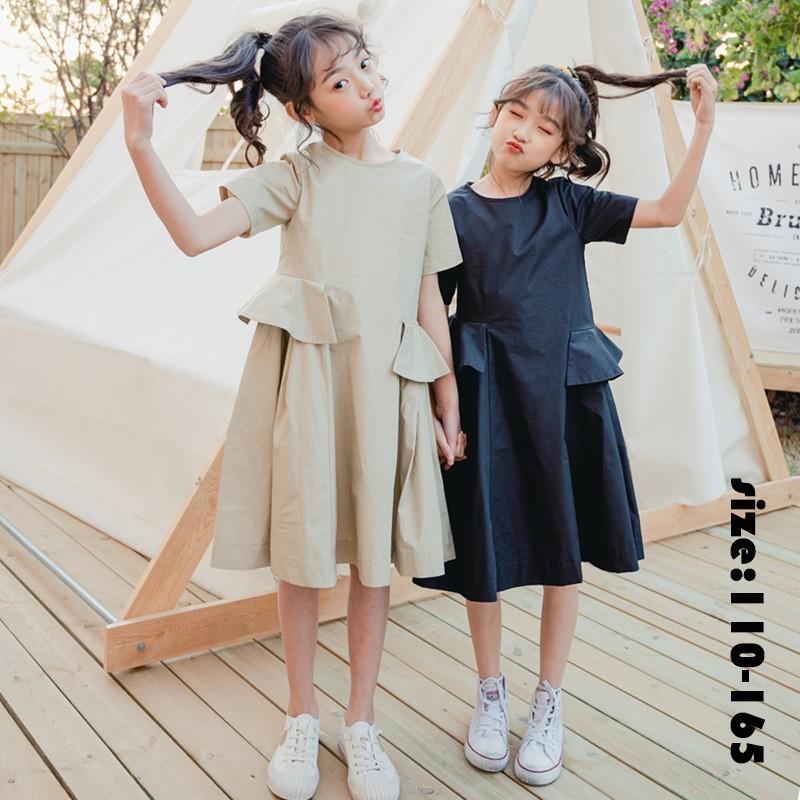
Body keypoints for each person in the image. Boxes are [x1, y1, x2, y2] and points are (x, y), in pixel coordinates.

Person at [121, 14, 466, 800]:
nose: (367, 85)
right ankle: (302, 717)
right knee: (304, 557)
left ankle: (361, 722)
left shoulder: (421, 183)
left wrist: (447, 404)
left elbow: (430, 302)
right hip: (311, 389)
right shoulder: (298, 176)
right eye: (340, 81)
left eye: (365, 65)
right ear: (305, 110)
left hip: (388, 388)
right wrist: (140, 144)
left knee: (373, 561)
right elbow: (194, 236)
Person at [413, 60, 717, 786]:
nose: (524, 131)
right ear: (496, 112)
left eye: (546, 127)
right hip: (485, 400)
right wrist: (443, 408)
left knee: (561, 543)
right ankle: (490, 694)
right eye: (517, 113)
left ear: (564, 148)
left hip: (560, 397)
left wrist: (703, 128)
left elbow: (668, 211)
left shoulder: (569, 205)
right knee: (482, 549)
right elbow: (432, 317)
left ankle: (550, 700)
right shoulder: (451, 211)